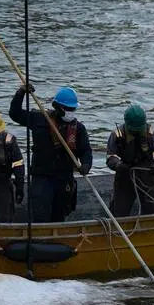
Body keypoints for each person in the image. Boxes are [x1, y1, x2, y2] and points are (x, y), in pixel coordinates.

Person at [9, 83, 93, 222]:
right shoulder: (40, 119)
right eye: (68, 109)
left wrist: (86, 165)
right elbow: (15, 114)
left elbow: (86, 151)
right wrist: (21, 93)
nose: (71, 111)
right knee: (40, 215)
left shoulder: (79, 128)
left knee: (59, 217)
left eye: (73, 109)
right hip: (42, 178)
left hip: (64, 179)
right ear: (58, 107)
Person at [105, 103, 154, 217]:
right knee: (120, 212)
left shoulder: (153, 133)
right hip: (125, 175)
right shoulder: (116, 135)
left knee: (152, 211)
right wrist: (119, 165)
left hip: (148, 175)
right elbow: (110, 157)